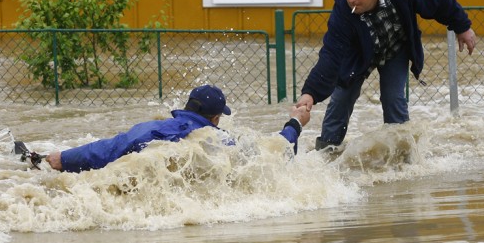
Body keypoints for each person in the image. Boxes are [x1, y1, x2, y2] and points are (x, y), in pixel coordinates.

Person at [296, 0, 477, 150]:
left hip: (394, 49)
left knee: (393, 97)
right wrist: (310, 93)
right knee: (343, 96)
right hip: (358, 55)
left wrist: (462, 27)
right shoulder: (343, 11)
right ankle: (327, 150)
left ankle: (402, 154)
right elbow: (331, 55)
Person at [46, 84, 311, 172]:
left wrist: (63, 158)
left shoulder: (155, 128)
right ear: (216, 118)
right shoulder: (220, 141)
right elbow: (277, 152)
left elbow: (111, 148)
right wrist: (296, 122)